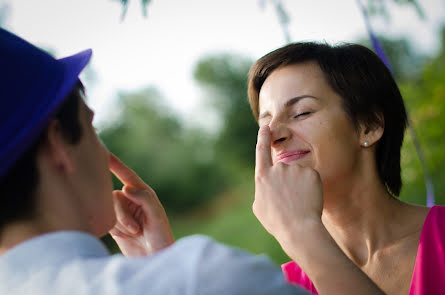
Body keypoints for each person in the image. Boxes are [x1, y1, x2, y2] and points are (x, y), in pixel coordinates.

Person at [0, 27, 308, 295]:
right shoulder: (205, 277)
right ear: (58, 145)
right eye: (93, 127)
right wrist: (302, 227)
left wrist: (158, 262)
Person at [247, 42, 445, 295]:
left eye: (301, 112)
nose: (273, 135)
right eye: (265, 123)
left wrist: (301, 233)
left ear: (369, 125)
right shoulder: (283, 288)